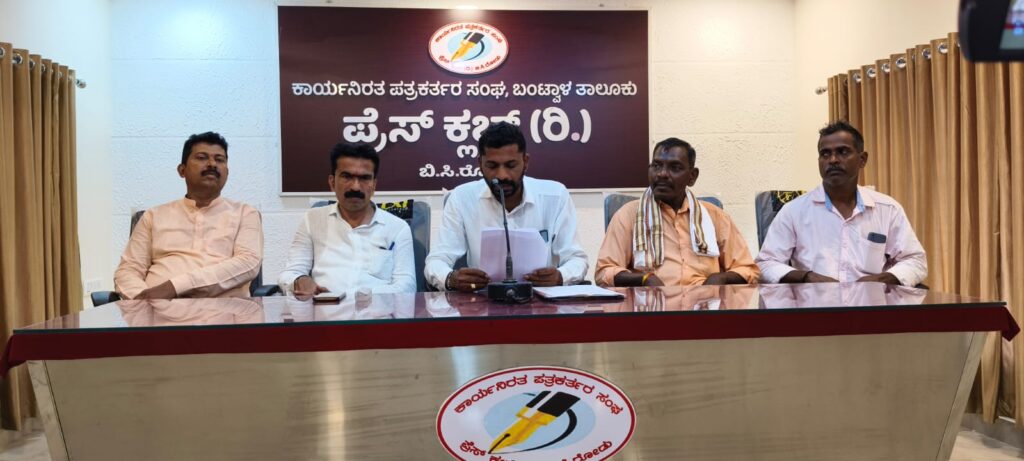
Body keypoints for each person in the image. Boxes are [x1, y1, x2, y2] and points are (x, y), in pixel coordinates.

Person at [756, 121, 927, 286]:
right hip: (813, 302)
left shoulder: (887, 209)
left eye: (842, 152)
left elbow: (915, 261)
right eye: (825, 154)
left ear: (862, 159)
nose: (833, 160)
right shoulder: (794, 211)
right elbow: (765, 264)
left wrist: (880, 280)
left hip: (871, 301)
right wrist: (806, 277)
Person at [424, 122, 588, 292]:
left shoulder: (555, 196)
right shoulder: (461, 198)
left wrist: (561, 276)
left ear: (525, 162)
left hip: (541, 299)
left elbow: (576, 259)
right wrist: (450, 278)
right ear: (480, 163)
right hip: (482, 300)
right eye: (492, 166)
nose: (502, 175)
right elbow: (437, 260)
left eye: (511, 165)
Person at [114, 132, 263, 299]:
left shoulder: (245, 213)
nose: (212, 164)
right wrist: (142, 300)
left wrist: (174, 287)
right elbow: (128, 270)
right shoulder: (153, 216)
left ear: (227, 172)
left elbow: (247, 263)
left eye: (219, 159)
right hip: (160, 310)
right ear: (182, 170)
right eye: (202, 157)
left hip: (223, 310)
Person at [596, 138, 759, 287]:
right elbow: (604, 272)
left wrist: (720, 278)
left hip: (705, 304)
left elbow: (748, 270)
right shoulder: (628, 215)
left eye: (674, 167)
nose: (662, 174)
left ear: (692, 177)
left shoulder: (715, 216)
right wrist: (644, 279)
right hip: (650, 304)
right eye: (657, 166)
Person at [278, 142, 416, 298]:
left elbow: (407, 287)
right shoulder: (312, 219)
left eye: (364, 178)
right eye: (347, 177)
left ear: (374, 185)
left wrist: (348, 297)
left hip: (378, 311)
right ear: (332, 182)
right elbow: (290, 273)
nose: (355, 187)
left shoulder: (397, 228)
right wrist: (300, 280)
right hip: (324, 310)